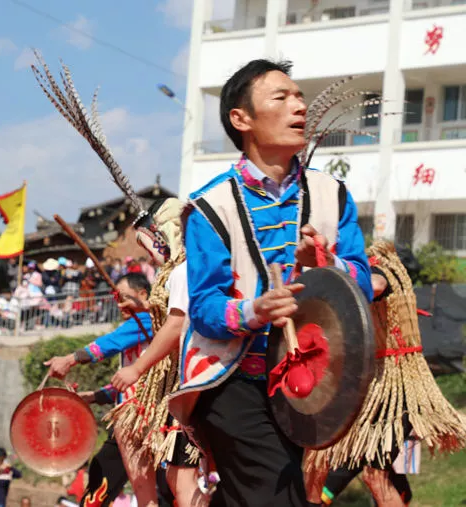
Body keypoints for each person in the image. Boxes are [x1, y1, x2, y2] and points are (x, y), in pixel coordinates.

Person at [171, 59, 373, 507]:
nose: (299, 106)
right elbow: (203, 307)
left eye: (299, 96)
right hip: (230, 381)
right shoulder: (210, 207)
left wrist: (329, 263)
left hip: (309, 384)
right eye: (281, 98)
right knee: (277, 496)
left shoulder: (332, 194)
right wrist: (254, 311)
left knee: (256, 494)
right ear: (241, 119)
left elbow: (363, 283)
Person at [304, 241, 466, 506]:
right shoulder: (393, 288)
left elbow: (375, 285)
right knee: (338, 465)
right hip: (375, 392)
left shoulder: (386, 274)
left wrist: (332, 264)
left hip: (393, 397)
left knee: (373, 475)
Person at [109, 198, 209, 507]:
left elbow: (175, 325)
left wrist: (136, 369)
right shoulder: (190, 267)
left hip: (190, 386)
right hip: (192, 385)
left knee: (182, 480)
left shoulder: (184, 272)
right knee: (178, 478)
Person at [46, 273, 155, 506]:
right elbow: (124, 384)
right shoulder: (137, 330)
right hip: (127, 422)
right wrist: (91, 397)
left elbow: (109, 343)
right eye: (116, 297)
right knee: (101, 477)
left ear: (143, 295)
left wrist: (69, 359)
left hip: (147, 424)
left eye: (124, 297)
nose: (118, 303)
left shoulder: (147, 321)